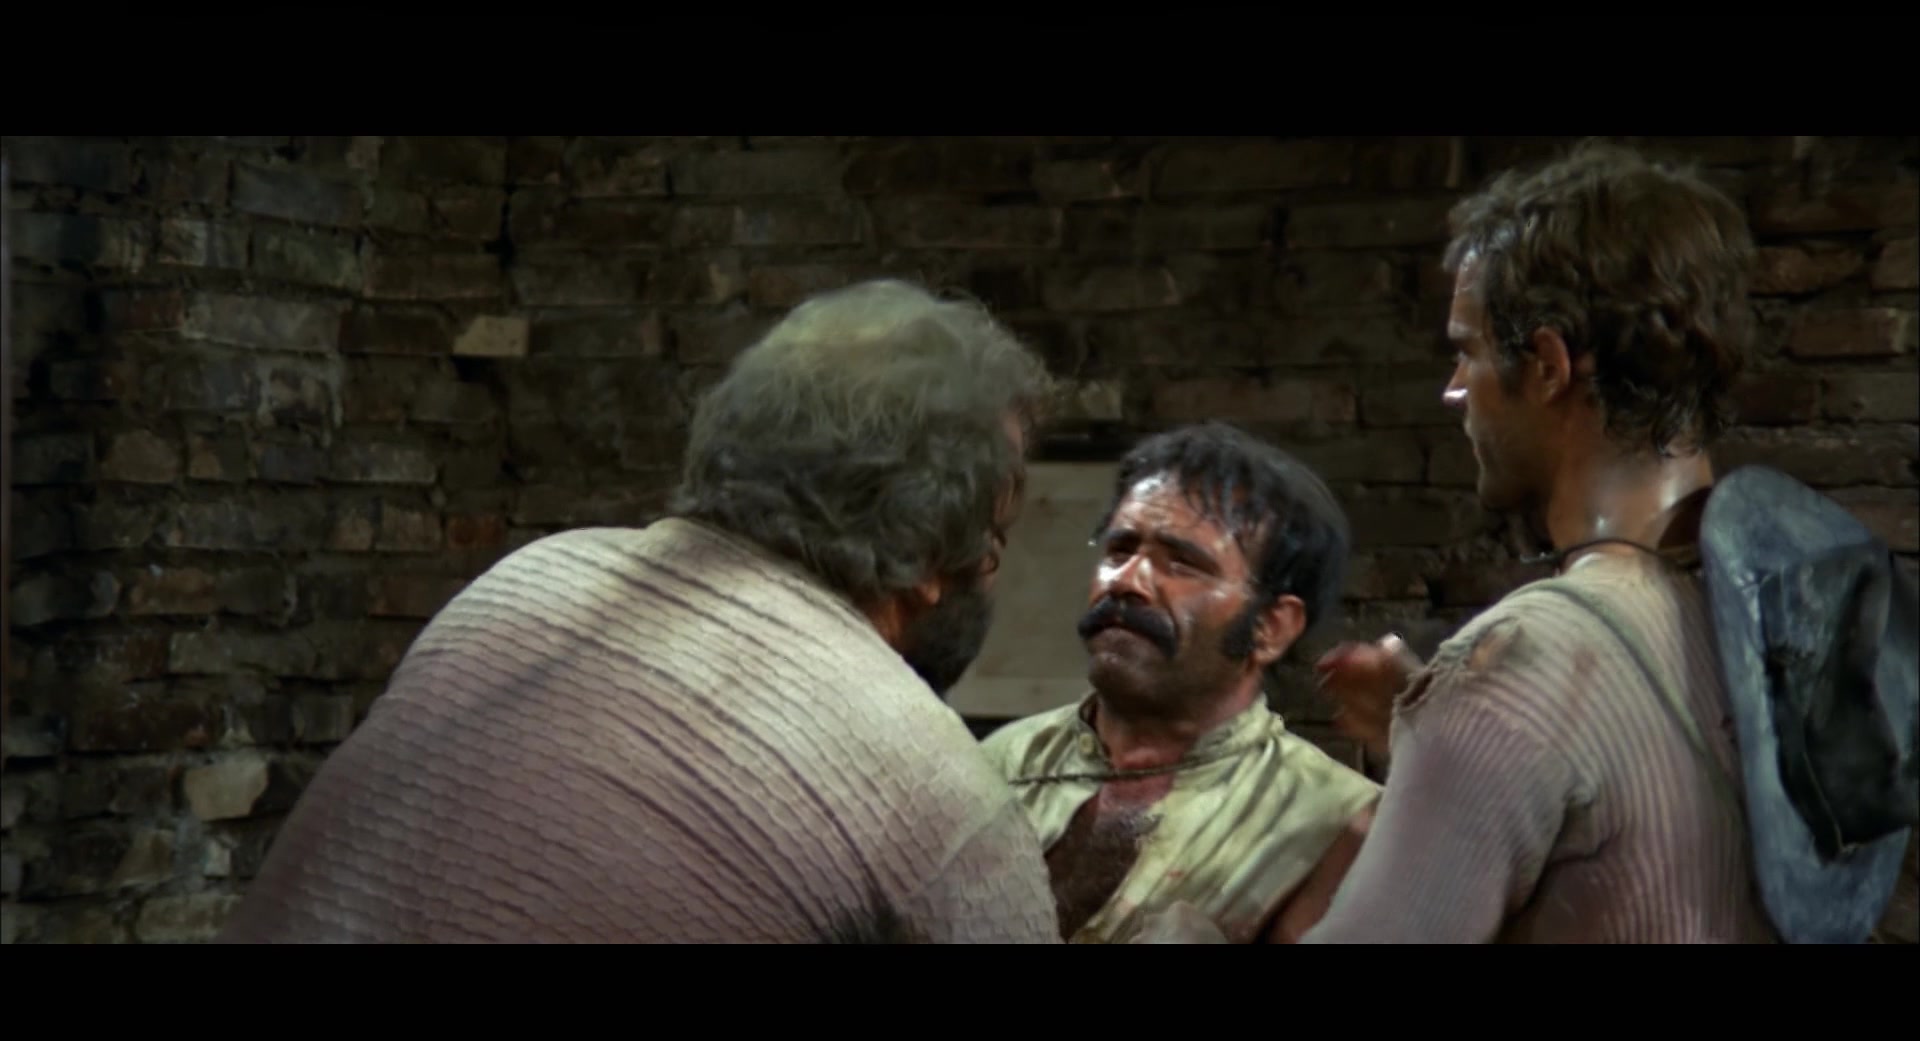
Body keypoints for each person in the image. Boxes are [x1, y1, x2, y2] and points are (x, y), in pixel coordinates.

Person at [219, 279, 1064, 944]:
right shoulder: (935, 791)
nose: (991, 570)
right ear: (926, 557)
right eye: (994, 538)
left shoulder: (527, 577)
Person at [1303, 141, 1780, 942]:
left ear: (1549, 365)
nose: (1455, 389)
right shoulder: (1773, 611)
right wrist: (1441, 740)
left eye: (1469, 351)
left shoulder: (1518, 662)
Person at [980, 422, 1379, 944]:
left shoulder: (1331, 824)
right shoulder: (999, 765)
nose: (1126, 580)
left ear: (1270, 626)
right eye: (1119, 550)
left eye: (1183, 564)